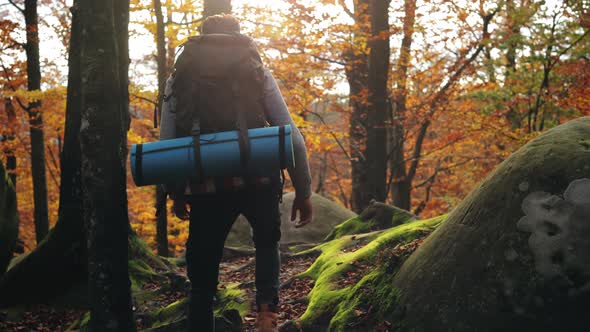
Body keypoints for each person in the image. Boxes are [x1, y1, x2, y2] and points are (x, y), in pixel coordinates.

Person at [159, 14, 314, 332]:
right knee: (267, 242)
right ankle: (267, 316)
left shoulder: (180, 76)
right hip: (260, 175)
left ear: (202, 38)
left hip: (206, 181)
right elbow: (290, 135)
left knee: (203, 256)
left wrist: (175, 191)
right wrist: (303, 190)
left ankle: (201, 320)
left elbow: (168, 142)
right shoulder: (255, 69)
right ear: (237, 36)